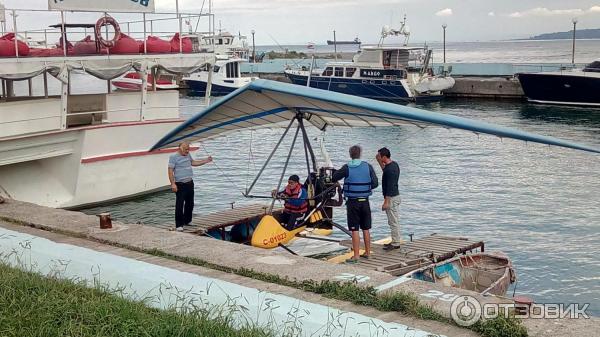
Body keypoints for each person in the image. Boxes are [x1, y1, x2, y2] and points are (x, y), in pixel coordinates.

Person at [332, 145, 378, 263]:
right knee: (366, 228)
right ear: (360, 154)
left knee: (355, 229)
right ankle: (368, 253)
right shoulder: (368, 166)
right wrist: (366, 187)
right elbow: (375, 183)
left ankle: (356, 255)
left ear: (350, 154)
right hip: (365, 201)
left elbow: (334, 177)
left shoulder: (347, 167)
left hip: (353, 202)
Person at [168, 142, 212, 232]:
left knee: (190, 203)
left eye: (188, 149)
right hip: (180, 184)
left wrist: (206, 161)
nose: (187, 151)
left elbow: (193, 163)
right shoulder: (173, 157)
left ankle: (187, 221)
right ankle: (179, 225)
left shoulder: (188, 155)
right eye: (185, 149)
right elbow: (170, 171)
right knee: (180, 204)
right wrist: (173, 183)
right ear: (180, 148)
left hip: (190, 183)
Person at [376, 147, 401, 250]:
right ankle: (395, 240)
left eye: (380, 156)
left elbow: (390, 187)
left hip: (392, 197)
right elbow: (384, 170)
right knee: (393, 220)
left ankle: (396, 243)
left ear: (384, 157)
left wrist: (386, 202)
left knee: (393, 221)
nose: (379, 157)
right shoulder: (393, 165)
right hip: (395, 196)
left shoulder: (390, 170)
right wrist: (378, 161)